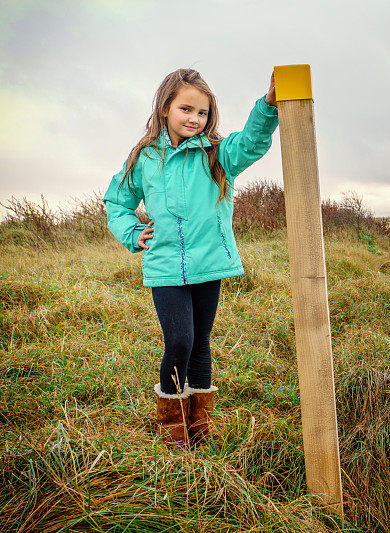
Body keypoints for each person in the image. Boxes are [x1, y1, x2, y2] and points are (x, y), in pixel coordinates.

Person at [103, 68, 278, 448]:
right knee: (179, 340)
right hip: (165, 267)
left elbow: (251, 142)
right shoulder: (145, 158)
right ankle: (172, 428)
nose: (194, 119)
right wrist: (133, 234)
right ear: (165, 107)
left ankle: (199, 425)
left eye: (202, 113)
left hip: (209, 263)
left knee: (200, 343)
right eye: (186, 109)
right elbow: (117, 201)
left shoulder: (217, 154)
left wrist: (268, 107)